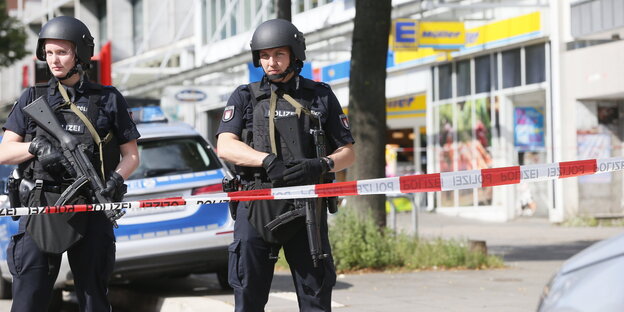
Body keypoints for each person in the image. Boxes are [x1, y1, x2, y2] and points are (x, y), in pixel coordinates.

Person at [0, 16, 140, 311]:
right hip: (42, 207)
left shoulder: (108, 99)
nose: (54, 60)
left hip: (91, 206)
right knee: (28, 300)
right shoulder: (32, 97)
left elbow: (132, 156)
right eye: (49, 53)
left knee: (94, 301)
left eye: (61, 52)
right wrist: (36, 147)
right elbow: (5, 152)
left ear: (80, 54)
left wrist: (115, 180)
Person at [216, 19, 355, 312]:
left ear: (294, 55)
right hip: (256, 202)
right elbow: (225, 145)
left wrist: (321, 164)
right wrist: (266, 160)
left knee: (315, 297)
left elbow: (348, 152)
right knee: (248, 296)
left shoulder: (319, 95)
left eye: (278, 54)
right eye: (264, 56)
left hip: (307, 206)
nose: (271, 62)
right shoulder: (245, 96)